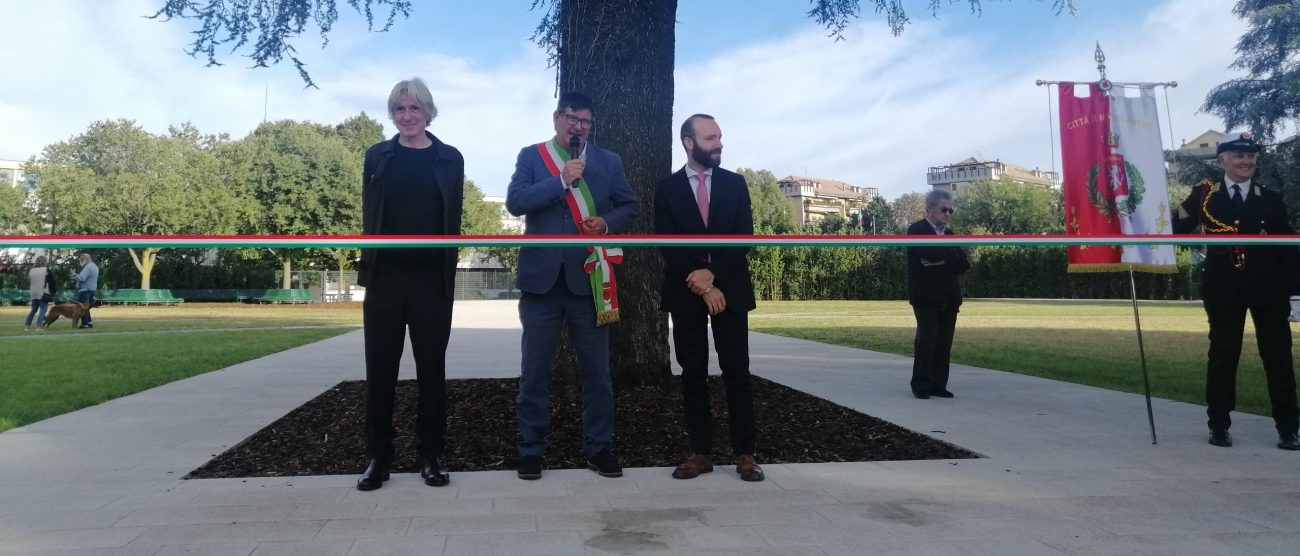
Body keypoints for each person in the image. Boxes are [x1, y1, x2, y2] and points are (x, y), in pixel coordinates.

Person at [505, 92, 640, 480]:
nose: (577, 126)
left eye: (584, 121)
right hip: (540, 284)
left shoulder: (609, 161)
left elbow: (630, 205)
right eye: (571, 118)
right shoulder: (532, 157)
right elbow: (516, 202)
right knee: (534, 371)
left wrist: (608, 222)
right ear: (556, 119)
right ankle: (531, 450)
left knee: (597, 372)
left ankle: (599, 448)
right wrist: (560, 181)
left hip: (589, 281)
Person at [354, 77, 465, 491]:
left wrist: (446, 277)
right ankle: (378, 458)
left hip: (430, 282)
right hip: (384, 279)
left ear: (427, 112)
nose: (407, 116)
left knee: (431, 372)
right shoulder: (377, 157)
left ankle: (431, 455)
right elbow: (371, 216)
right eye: (399, 109)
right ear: (392, 114)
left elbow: (451, 221)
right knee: (379, 372)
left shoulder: (450, 159)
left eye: (414, 109)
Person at [1172, 131, 1300, 451]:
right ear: (1222, 160)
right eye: (1239, 156)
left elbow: (1287, 248)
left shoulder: (1269, 197)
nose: (1247, 161)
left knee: (1278, 359)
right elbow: (1177, 225)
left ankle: (1288, 428)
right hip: (1223, 291)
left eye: (1251, 156)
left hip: (1269, 291)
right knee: (1223, 357)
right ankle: (1218, 425)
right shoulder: (1203, 196)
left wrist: (1296, 293)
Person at [655, 114, 764, 482]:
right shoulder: (666, 188)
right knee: (693, 374)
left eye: (719, 137)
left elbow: (743, 237)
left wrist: (713, 275)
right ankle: (700, 452)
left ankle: (745, 454)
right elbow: (667, 244)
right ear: (689, 142)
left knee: (737, 372)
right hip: (686, 292)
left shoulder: (735, 184)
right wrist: (701, 285)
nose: (719, 143)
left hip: (730, 288)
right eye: (711, 137)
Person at [906, 189, 969, 399]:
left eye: (951, 210)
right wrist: (944, 258)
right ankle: (921, 385)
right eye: (944, 209)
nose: (948, 214)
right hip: (925, 297)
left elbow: (962, 265)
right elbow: (927, 254)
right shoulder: (916, 230)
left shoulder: (950, 235)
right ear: (929, 208)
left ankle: (939, 385)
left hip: (950, 297)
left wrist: (940, 261)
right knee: (927, 341)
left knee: (944, 342)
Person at [70, 252, 98, 329]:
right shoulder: (94, 266)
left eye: (81, 259)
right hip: (92, 289)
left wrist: (74, 274)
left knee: (82, 307)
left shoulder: (88, 267)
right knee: (87, 307)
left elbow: (82, 278)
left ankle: (85, 324)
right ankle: (89, 323)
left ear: (86, 258)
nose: (80, 260)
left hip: (85, 290)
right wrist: (74, 276)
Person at [24, 256, 51, 331]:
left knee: (33, 310)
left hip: (33, 292)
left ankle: (27, 326)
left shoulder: (31, 270)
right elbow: (50, 281)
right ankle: (38, 326)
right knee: (43, 309)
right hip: (42, 292)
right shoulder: (46, 270)